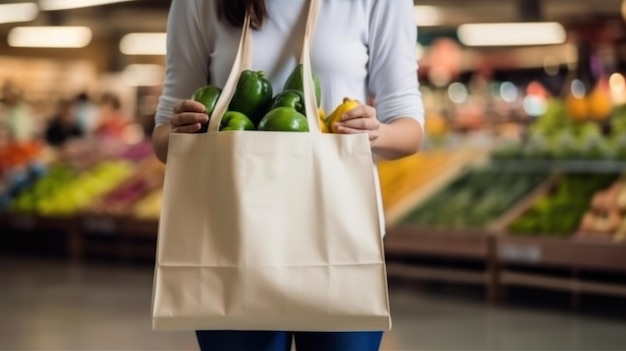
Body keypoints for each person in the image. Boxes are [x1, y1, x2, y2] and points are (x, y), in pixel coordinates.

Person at [152, 1, 425, 350]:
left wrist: (375, 133)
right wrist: (181, 129)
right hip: (232, 234)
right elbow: (163, 140)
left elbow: (409, 127)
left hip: (338, 228)